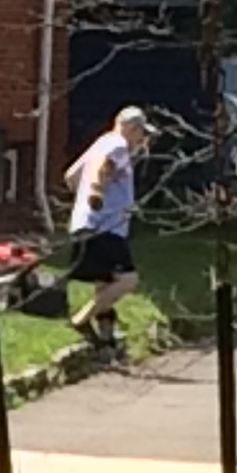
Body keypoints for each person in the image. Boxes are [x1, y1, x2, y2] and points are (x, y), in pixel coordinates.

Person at [60, 106, 152, 358]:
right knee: (127, 280)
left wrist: (84, 202)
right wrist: (97, 192)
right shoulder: (118, 145)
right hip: (104, 226)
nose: (142, 139)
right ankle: (81, 318)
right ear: (130, 128)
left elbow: (71, 176)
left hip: (86, 223)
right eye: (141, 133)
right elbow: (103, 167)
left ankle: (105, 340)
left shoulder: (101, 143)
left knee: (105, 283)